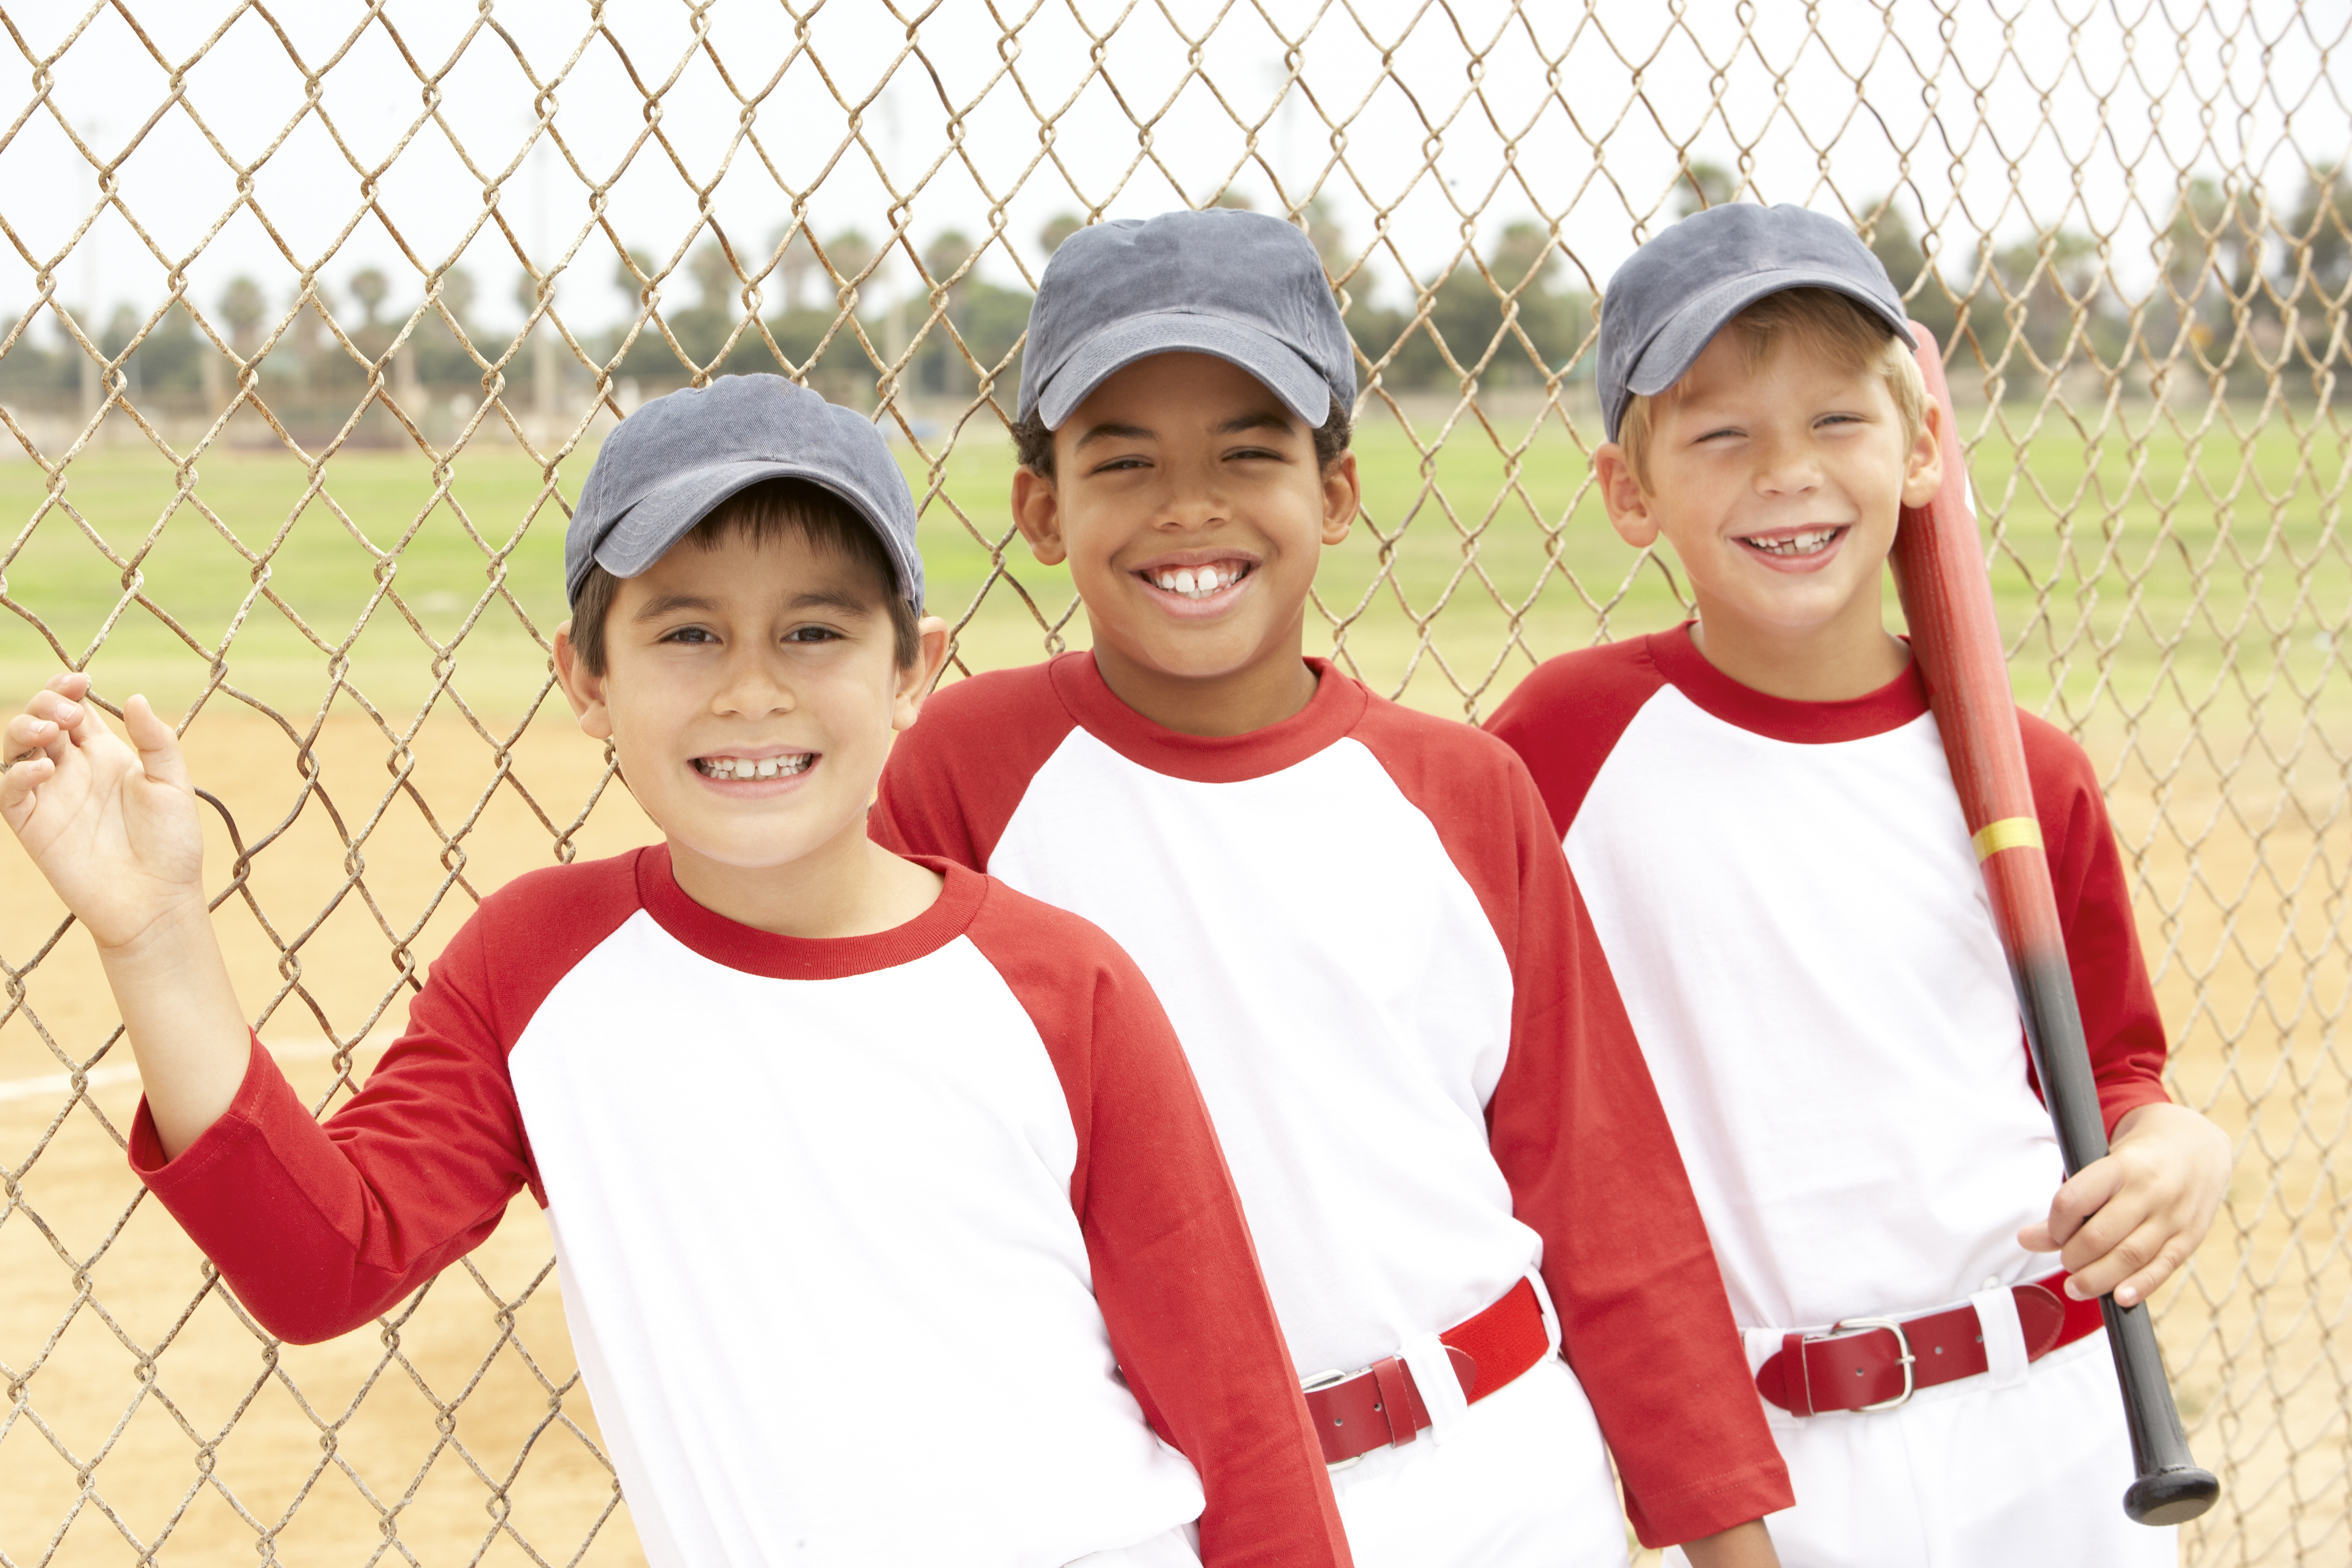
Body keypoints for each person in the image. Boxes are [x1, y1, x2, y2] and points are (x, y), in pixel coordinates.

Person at [0, 375, 1354, 1568]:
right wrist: (155, 933)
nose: (750, 689)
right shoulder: (538, 969)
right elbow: (322, 1265)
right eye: (687, 633)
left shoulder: (1062, 989)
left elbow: (1237, 1415)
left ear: (911, 673)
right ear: (585, 679)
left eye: (815, 631)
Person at [870, 207, 1791, 1568]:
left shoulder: (1460, 792)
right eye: (1125, 463)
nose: (1192, 508)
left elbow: (1604, 1201)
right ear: (1044, 511)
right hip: (1169, 1499)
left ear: (1339, 494)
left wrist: (1728, 1541)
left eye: (1250, 455)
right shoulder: (973, 772)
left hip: (1498, 1471)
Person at [1484, 202, 2234, 1567]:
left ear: (1920, 449)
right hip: (1788, 1452)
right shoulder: (1564, 747)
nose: (1788, 474)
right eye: (1720, 435)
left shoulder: (2018, 767)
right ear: (1630, 492)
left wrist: (2179, 1146)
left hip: (2064, 1414)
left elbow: (2114, 1064)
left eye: (1838, 422)